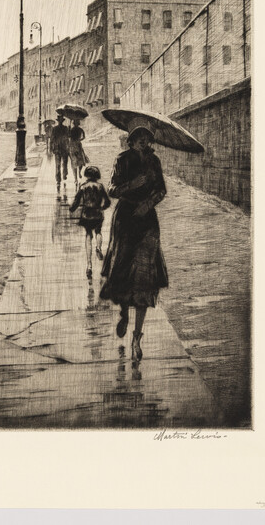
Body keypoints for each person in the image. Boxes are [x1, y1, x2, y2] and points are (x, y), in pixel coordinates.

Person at [99, 120, 168, 363]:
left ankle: (137, 337)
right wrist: (132, 185)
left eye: (146, 136)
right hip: (125, 220)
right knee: (123, 271)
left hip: (147, 221)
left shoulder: (154, 162)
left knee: (144, 278)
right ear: (131, 139)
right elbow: (112, 189)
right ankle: (123, 315)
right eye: (138, 135)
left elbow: (162, 190)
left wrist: (147, 203)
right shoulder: (122, 159)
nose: (143, 140)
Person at [69, 165, 111, 279]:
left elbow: (76, 202)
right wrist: (102, 208)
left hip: (86, 214)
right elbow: (107, 202)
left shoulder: (83, 187)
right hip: (97, 213)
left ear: (87, 175)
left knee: (88, 236)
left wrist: (72, 208)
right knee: (98, 232)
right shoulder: (100, 186)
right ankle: (98, 247)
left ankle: (89, 265)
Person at [50, 114, 70, 196]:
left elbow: (68, 137)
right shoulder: (57, 129)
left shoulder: (64, 128)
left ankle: (62, 176)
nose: (60, 122)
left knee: (61, 164)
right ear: (59, 121)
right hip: (60, 148)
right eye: (60, 121)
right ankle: (60, 178)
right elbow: (52, 138)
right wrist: (52, 148)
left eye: (61, 121)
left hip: (62, 148)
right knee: (60, 164)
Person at [68, 118, 88, 188]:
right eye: (75, 123)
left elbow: (84, 137)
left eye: (77, 123)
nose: (76, 124)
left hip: (77, 146)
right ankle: (75, 178)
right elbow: (69, 137)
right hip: (74, 147)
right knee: (75, 162)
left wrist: (79, 140)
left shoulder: (79, 130)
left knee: (80, 161)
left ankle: (79, 172)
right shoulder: (72, 130)